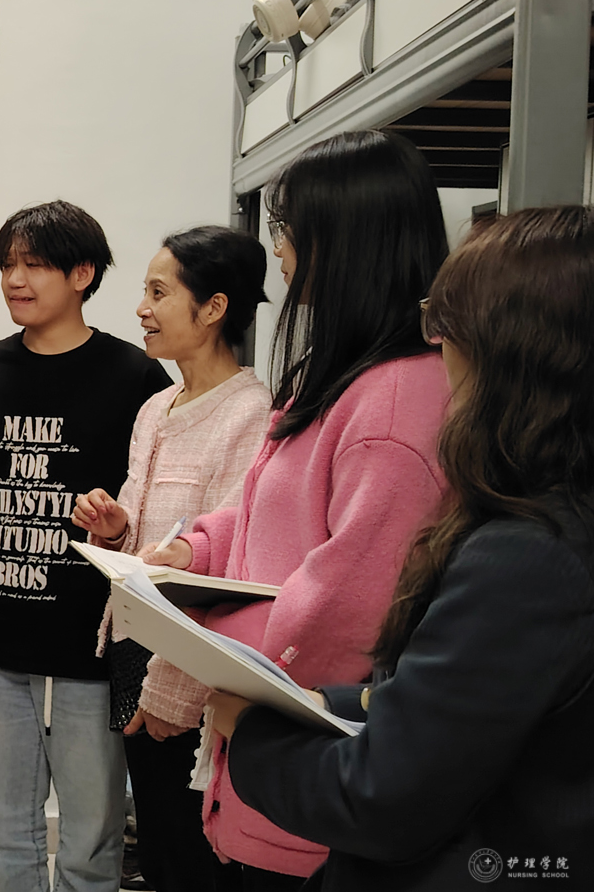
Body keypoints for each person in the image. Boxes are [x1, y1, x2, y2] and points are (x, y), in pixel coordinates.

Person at [212, 204, 594, 891]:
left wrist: (253, 732)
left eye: (447, 326)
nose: (438, 349)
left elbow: (385, 795)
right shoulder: (550, 516)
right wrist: (330, 702)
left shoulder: (528, 558)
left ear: (509, 351)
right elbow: (451, 702)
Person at [138, 131, 452, 889]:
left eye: (288, 226)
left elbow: (349, 604)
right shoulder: (337, 374)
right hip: (266, 738)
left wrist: (206, 642)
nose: (277, 247)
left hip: (310, 761)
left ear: (345, 235)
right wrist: (196, 550)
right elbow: (257, 506)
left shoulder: (394, 403)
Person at [0, 200, 170, 892]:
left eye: (34, 265)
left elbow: (150, 512)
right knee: (0, 836)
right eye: (7, 265)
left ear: (82, 273)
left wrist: (111, 529)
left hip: (92, 642)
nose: (15, 280)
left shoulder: (137, 379)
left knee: (92, 840)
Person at [73, 225, 272, 892]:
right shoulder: (157, 406)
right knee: (159, 846)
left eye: (159, 293)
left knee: (192, 854)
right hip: (135, 649)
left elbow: (225, 571)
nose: (142, 309)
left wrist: (172, 690)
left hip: (190, 668)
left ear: (213, 308)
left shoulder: (250, 415)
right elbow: (145, 537)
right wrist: (115, 527)